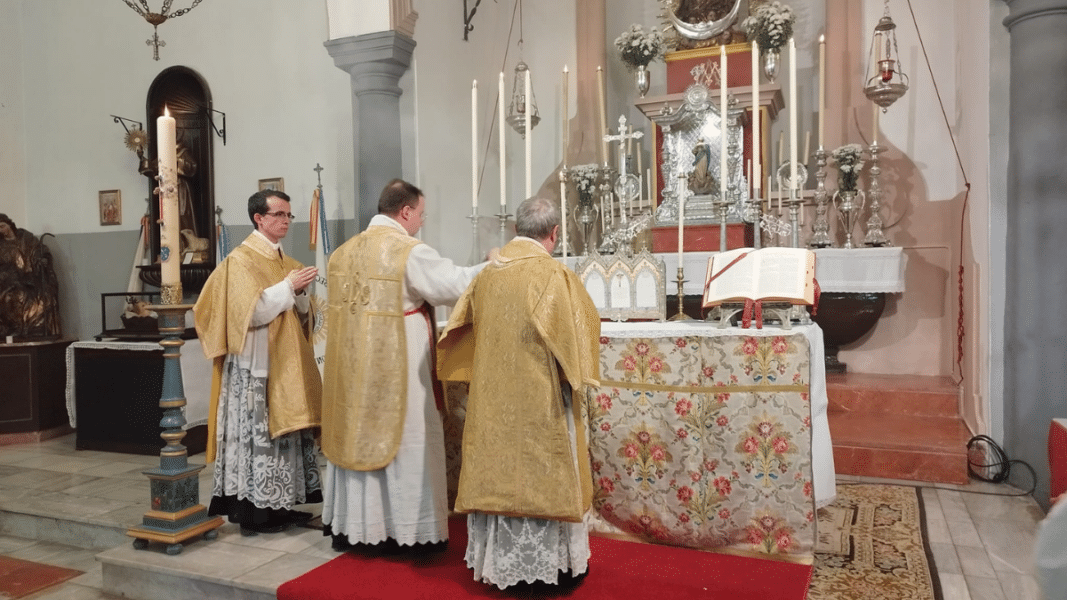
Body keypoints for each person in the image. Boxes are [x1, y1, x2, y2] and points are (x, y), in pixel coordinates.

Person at [436, 195, 602, 589]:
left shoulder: (488, 275)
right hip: (540, 397)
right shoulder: (553, 276)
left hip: (493, 398)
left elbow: (458, 328)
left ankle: (502, 565)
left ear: (516, 230)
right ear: (555, 233)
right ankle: (549, 570)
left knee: (500, 474)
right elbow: (578, 338)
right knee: (544, 473)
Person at [320, 178, 487, 552]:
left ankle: (358, 526)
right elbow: (452, 284)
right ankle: (407, 531)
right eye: (421, 215)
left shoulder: (342, 253)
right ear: (405, 211)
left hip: (352, 367)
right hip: (398, 364)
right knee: (408, 437)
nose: (421, 223)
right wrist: (491, 267)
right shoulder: (407, 250)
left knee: (358, 434)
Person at [193, 190, 323, 535]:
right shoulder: (241, 260)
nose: (285, 221)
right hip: (256, 366)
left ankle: (279, 504)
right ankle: (254, 511)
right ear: (259, 219)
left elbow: (302, 314)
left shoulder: (285, 261)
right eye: (278, 214)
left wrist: (300, 295)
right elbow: (251, 313)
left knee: (284, 435)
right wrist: (288, 288)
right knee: (259, 435)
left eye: (288, 215)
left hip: (285, 362)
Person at [0, 214, 61, 339]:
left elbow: (40, 249)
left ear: (9, 224)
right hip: (10, 281)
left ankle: (39, 329)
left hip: (32, 277)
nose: (1, 230)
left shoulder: (26, 237)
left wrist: (42, 259)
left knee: (45, 295)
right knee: (15, 295)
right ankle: (17, 330)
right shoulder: (1, 246)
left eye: (2, 226)